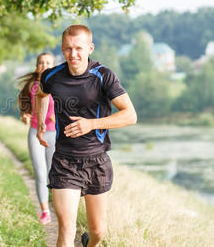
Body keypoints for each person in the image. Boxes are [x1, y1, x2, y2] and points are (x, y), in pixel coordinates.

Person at [35, 25, 137, 247]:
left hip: (97, 161)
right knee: (66, 228)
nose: (73, 55)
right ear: (62, 49)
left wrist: (91, 124)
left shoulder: (103, 76)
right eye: (68, 49)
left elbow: (130, 115)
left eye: (79, 48)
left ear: (90, 48)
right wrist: (41, 122)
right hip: (65, 161)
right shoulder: (51, 76)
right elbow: (41, 95)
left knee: (98, 232)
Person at [17, 52, 57, 225]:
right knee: (40, 173)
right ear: (36, 67)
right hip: (35, 132)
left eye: (48, 62)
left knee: (53, 174)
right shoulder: (32, 87)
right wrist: (25, 115)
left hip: (54, 134)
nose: (44, 65)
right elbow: (25, 107)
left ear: (54, 66)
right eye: (41, 62)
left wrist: (59, 117)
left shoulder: (59, 86)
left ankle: (59, 208)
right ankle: (45, 211)